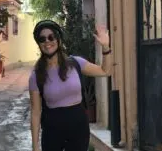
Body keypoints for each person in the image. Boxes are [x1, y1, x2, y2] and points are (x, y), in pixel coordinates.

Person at [29, 20, 112, 151]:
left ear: (58, 39)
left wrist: (106, 47)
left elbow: (105, 71)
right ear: (39, 43)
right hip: (52, 130)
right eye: (42, 39)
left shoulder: (76, 63)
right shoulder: (37, 75)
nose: (47, 42)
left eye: (51, 37)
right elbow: (35, 112)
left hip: (78, 126)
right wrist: (35, 146)